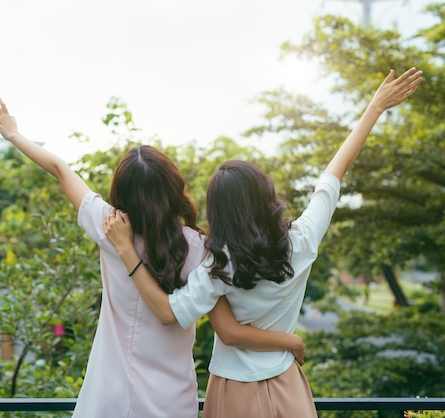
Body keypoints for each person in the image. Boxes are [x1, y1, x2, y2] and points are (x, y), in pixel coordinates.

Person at [103, 67, 423, 417]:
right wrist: (374, 108)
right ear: (265, 195)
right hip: (286, 381)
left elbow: (168, 313)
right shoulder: (301, 240)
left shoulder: (216, 266)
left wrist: (125, 250)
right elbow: (334, 173)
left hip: (231, 390)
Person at [0, 96, 305, 418]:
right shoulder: (200, 249)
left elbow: (60, 169)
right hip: (171, 399)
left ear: (120, 192)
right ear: (174, 188)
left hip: (108, 394)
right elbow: (229, 326)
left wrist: (13, 134)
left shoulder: (108, 226)